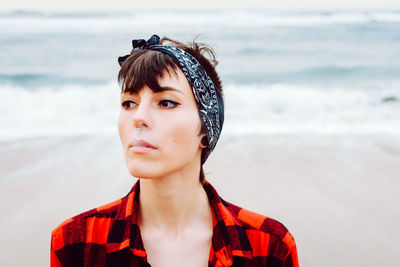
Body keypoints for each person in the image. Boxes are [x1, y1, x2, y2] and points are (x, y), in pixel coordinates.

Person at [50, 34, 299, 267]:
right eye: (129, 103)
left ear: (205, 128)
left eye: (166, 102)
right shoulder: (76, 242)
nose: (139, 117)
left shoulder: (268, 246)